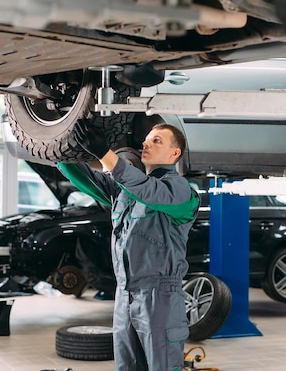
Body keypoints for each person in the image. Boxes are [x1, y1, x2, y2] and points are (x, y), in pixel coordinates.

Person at [58, 119, 199, 371]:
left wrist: (104, 153)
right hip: (124, 295)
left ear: (174, 153)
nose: (146, 143)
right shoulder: (124, 191)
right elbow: (82, 175)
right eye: (146, 139)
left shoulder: (181, 192)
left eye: (156, 141)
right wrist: (61, 142)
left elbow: (146, 190)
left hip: (161, 299)